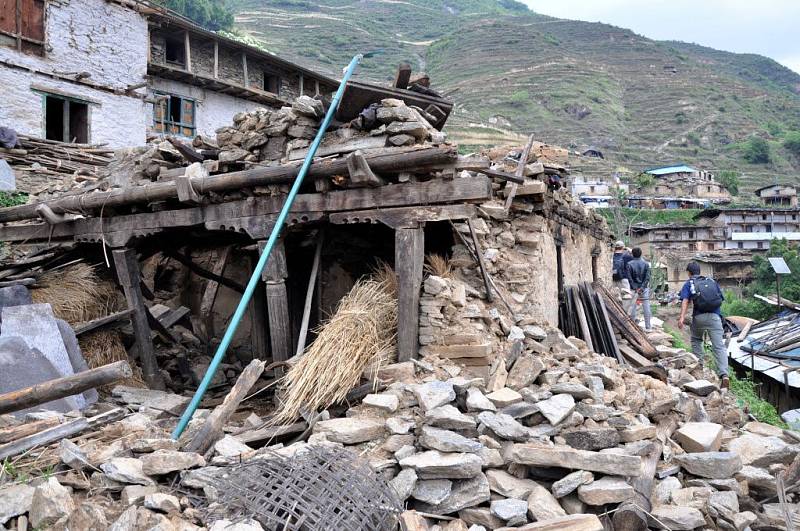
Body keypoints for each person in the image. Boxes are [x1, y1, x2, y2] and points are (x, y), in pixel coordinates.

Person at [678, 262, 728, 388]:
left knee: (696, 340)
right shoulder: (711, 281)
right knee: (719, 346)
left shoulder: (689, 283)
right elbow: (720, 299)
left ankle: (699, 367)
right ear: (699, 271)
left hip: (699, 317)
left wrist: (682, 317)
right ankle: (724, 374)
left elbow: (685, 301)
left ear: (689, 272)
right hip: (715, 317)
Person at [625, 247, 652, 331]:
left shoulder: (629, 264)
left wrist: (635, 288)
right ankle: (648, 327)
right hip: (644, 289)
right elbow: (647, 278)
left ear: (632, 254)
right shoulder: (646, 264)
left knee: (633, 307)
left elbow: (629, 278)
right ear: (641, 254)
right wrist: (642, 287)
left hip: (634, 289)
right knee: (646, 306)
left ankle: (633, 328)